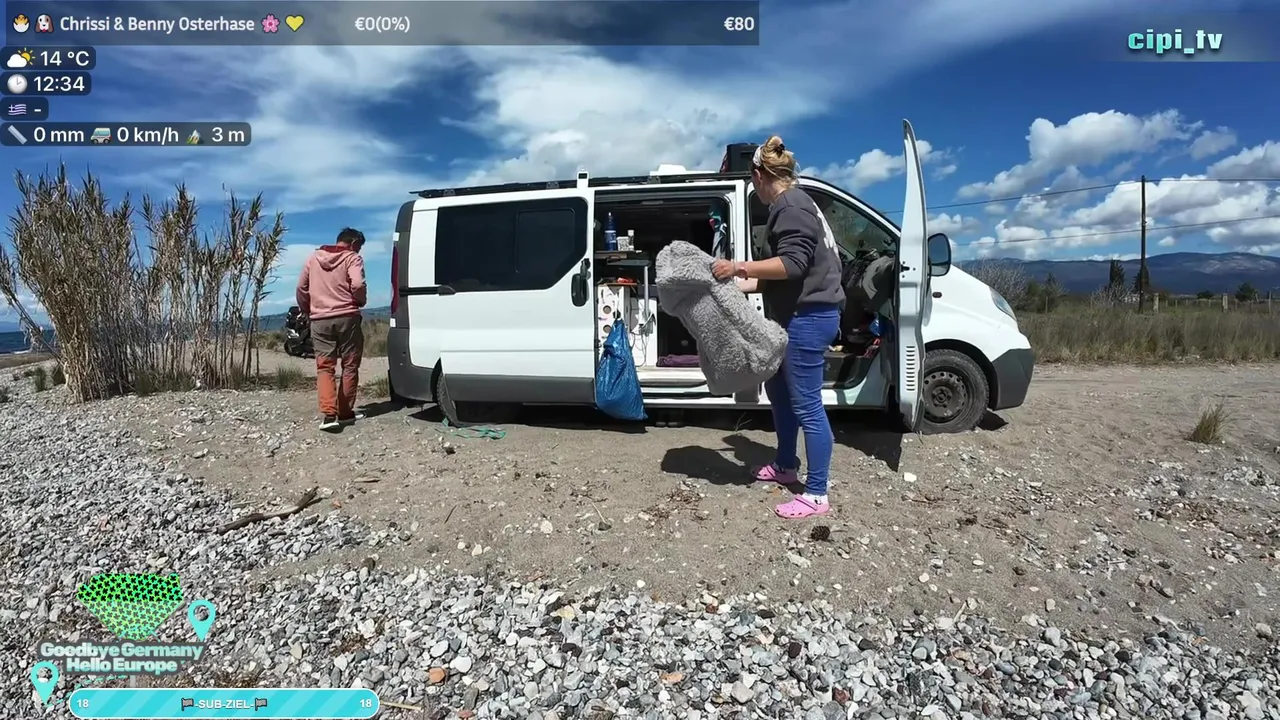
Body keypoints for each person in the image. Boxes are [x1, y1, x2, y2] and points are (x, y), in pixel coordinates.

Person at [712, 136, 845, 519]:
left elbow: (792, 265)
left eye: (752, 180)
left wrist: (739, 266)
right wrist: (725, 284)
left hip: (808, 318)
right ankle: (786, 465)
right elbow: (778, 277)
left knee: (807, 405)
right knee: (781, 395)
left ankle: (816, 493)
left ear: (758, 176)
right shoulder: (796, 204)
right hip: (796, 316)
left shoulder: (790, 206)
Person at [296, 228, 368, 431]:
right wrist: (359, 301)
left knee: (325, 367)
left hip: (320, 319)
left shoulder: (313, 258)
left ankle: (329, 415)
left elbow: (301, 288)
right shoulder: (352, 258)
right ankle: (345, 412)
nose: (359, 251)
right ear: (353, 243)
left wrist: (307, 309)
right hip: (347, 317)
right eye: (359, 247)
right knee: (350, 365)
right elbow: (358, 284)